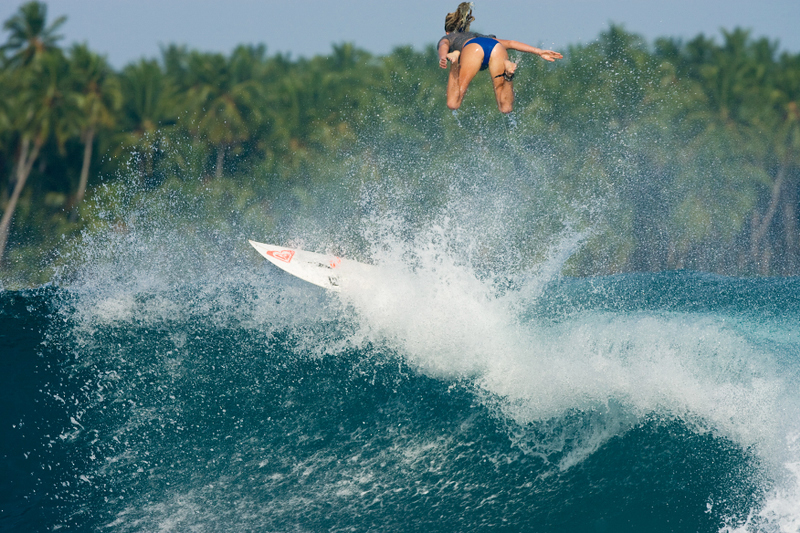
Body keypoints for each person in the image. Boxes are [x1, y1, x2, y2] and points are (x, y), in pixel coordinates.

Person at [438, 2, 563, 114]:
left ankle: (455, 56)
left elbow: (443, 45)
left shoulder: (450, 37)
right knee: (506, 108)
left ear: (447, 31)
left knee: (453, 103)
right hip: (496, 47)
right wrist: (539, 51)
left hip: (473, 49)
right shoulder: (479, 35)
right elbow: (511, 43)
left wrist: (444, 57)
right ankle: (508, 74)